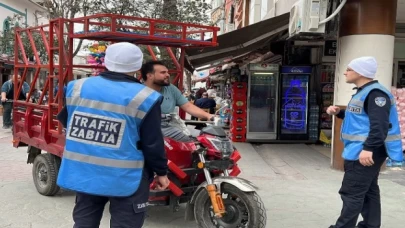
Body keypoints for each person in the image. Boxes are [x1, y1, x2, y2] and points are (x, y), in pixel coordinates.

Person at [56, 42, 170, 228]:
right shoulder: (145, 97)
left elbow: (68, 121)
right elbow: (152, 143)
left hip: (85, 172)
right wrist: (162, 172)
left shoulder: (76, 87)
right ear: (137, 66)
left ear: (107, 62)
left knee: (84, 222)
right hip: (126, 177)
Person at [327, 56, 403, 228]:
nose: (345, 72)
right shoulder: (365, 92)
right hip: (362, 149)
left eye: (349, 69)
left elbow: (380, 126)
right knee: (369, 191)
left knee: (351, 192)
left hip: (365, 152)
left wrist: (368, 149)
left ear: (360, 72)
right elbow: (361, 119)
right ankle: (370, 225)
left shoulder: (376, 94)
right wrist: (339, 113)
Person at [141, 60, 215, 120]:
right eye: (163, 72)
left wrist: (208, 115)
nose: (168, 75)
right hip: (147, 129)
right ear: (149, 76)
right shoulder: (138, 92)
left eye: (167, 72)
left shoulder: (170, 88)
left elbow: (188, 106)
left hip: (170, 127)